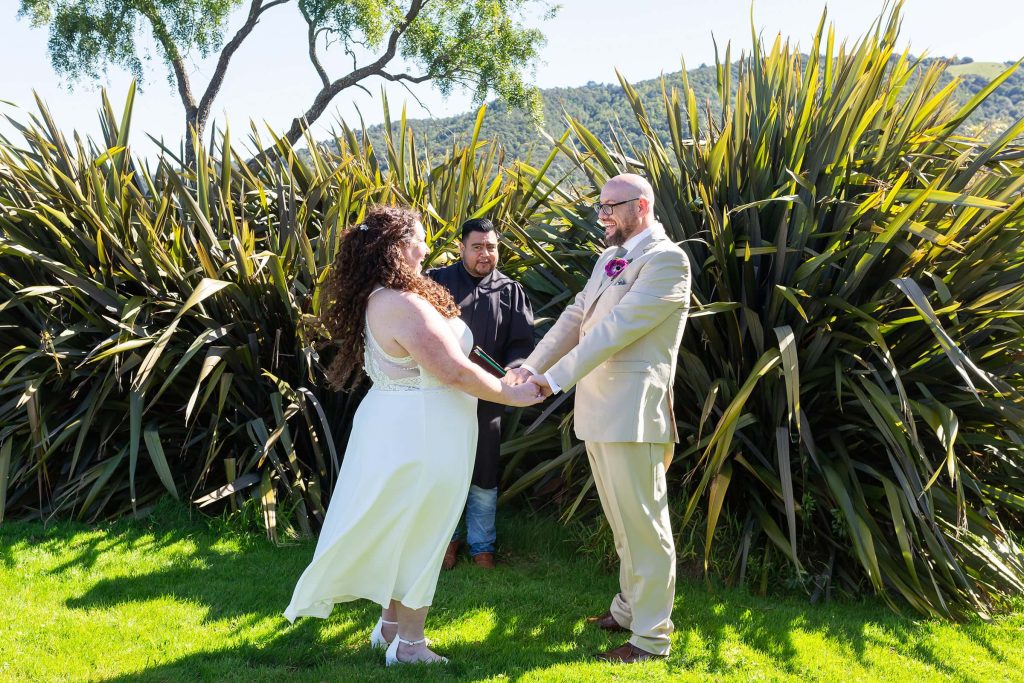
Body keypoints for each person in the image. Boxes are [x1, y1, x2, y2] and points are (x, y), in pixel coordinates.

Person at [283, 206, 543, 667]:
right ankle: (411, 645)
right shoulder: (399, 303)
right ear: (398, 248)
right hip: (421, 432)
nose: (427, 248)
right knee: (424, 531)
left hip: (409, 426)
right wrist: (512, 395)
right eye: (420, 239)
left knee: (406, 526)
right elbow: (454, 372)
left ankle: (389, 627)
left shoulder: (388, 295)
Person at [505, 173, 691, 663]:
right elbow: (576, 315)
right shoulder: (611, 257)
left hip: (633, 413)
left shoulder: (667, 260)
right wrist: (531, 366)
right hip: (598, 411)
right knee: (621, 523)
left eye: (613, 205)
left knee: (646, 528)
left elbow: (615, 331)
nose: (602, 214)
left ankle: (651, 639)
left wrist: (551, 381)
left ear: (643, 206)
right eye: (601, 205)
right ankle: (628, 610)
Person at [427, 218, 535, 570]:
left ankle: (482, 545)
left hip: (489, 394)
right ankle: (447, 541)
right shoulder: (437, 283)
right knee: (445, 467)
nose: (485, 254)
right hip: (442, 393)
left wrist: (514, 369)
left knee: (484, 468)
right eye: (477, 247)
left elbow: (520, 344)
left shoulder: (510, 291)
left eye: (491, 247)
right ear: (461, 247)